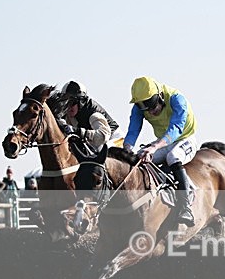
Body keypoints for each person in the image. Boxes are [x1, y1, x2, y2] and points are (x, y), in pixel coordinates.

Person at [123, 76, 198, 226]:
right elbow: (133, 129)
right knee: (139, 158)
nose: (150, 112)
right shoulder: (140, 106)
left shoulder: (177, 100)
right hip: (163, 142)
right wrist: (127, 148)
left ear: (160, 97)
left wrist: (154, 147)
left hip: (184, 138)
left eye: (152, 107)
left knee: (173, 156)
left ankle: (186, 207)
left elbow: (175, 129)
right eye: (145, 109)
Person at [55, 80, 124, 197]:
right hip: (92, 142)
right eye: (66, 103)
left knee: (99, 159)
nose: (68, 107)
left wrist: (78, 131)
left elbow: (101, 137)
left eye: (72, 103)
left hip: (112, 139)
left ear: (81, 102)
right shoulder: (68, 112)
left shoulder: (93, 114)